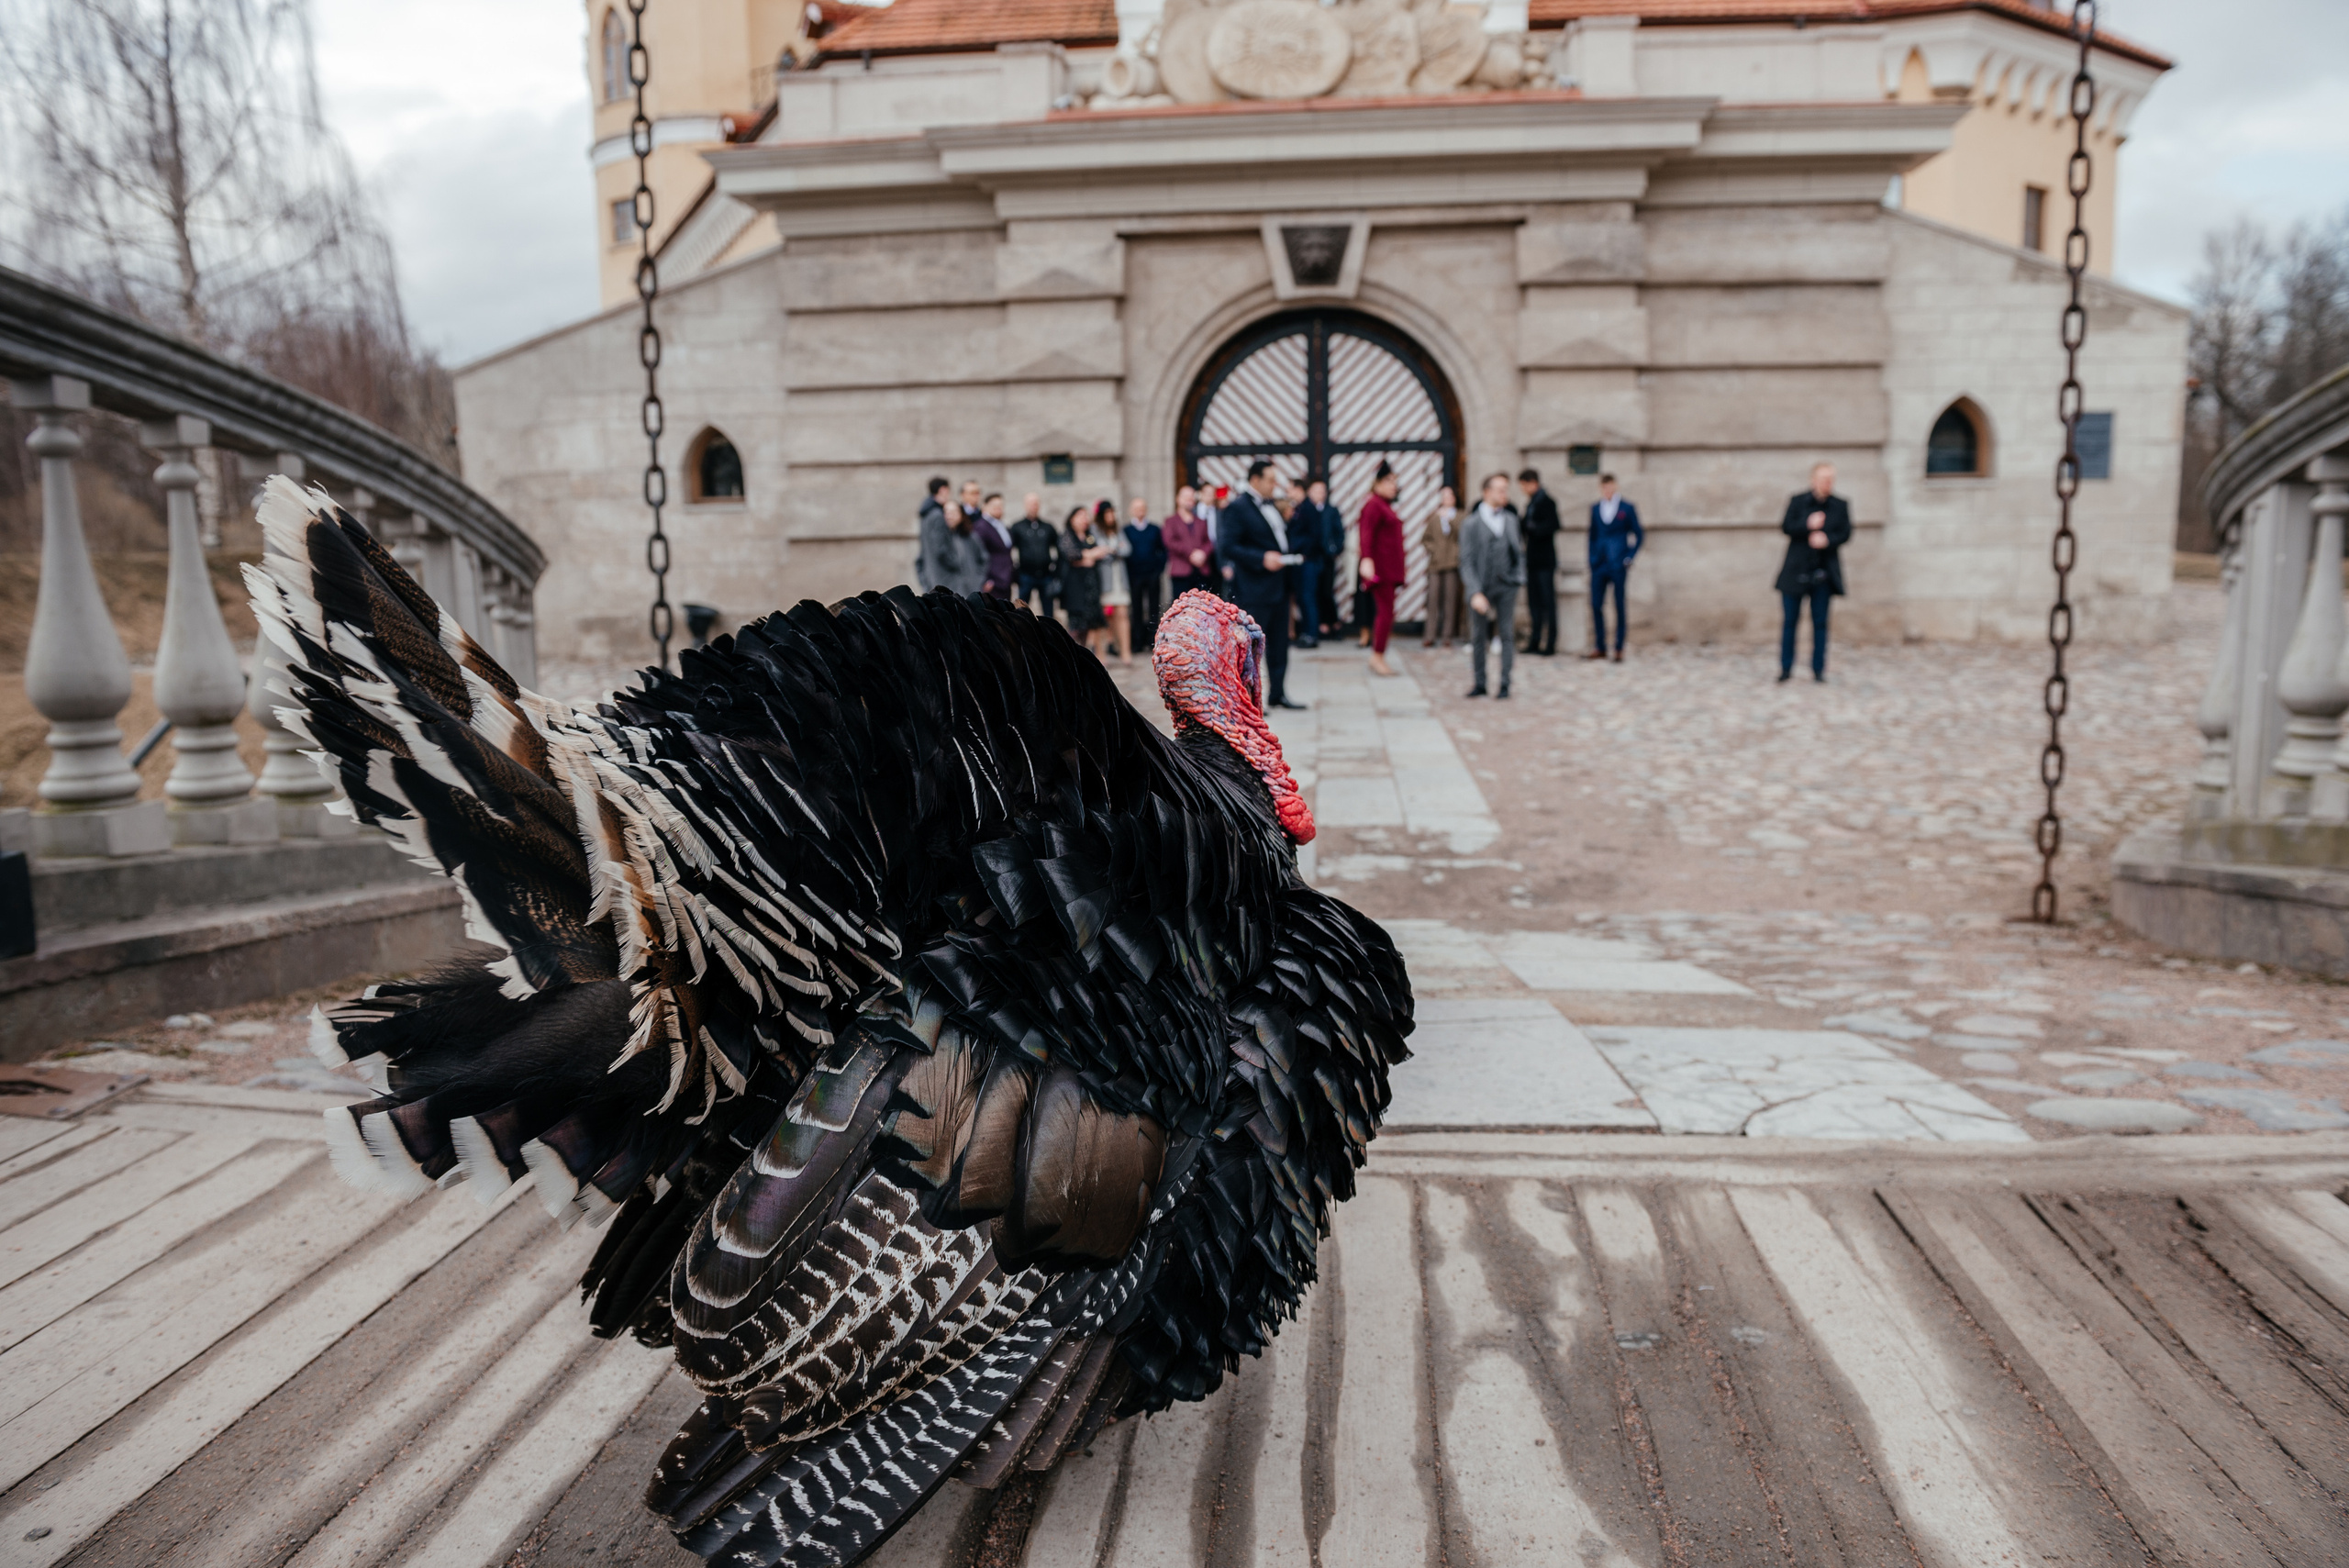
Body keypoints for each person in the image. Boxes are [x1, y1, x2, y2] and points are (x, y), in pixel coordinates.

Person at [1220, 459, 1307, 709]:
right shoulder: (1238, 508)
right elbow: (1229, 546)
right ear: (1255, 480)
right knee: (1252, 648)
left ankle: (1278, 693)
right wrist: (1261, 559)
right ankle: (1248, 701)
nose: (1275, 484)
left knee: (1280, 643)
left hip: (1279, 586)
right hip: (1254, 589)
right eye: (1270, 479)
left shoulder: (1272, 506)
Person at [1776, 462, 1852, 683]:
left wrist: (1827, 540)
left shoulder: (1840, 505)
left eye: (1830, 479)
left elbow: (1846, 533)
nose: (1827, 483)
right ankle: (1786, 668)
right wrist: (1807, 524)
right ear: (1813, 480)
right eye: (1823, 478)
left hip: (1823, 573)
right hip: (1796, 572)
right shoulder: (1798, 501)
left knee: (1820, 623)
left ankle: (1818, 670)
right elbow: (1786, 527)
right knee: (1790, 621)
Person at [1459, 472, 1524, 699]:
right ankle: (1480, 683)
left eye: (1506, 489)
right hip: (1481, 587)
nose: (1504, 494)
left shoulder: (1511, 520)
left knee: (1506, 634)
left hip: (1507, 585)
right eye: (1500, 489)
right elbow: (1466, 561)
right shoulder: (1471, 523)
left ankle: (1505, 684)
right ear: (1487, 492)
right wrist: (1474, 591)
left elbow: (1518, 553)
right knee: (1478, 636)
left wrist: (1518, 578)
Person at [1586, 473, 1644, 662]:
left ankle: (1619, 647)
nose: (1608, 490)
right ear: (1601, 488)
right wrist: (1591, 559)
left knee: (1619, 605)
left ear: (1615, 486)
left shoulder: (1627, 508)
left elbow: (1639, 534)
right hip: (1599, 564)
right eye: (1604, 487)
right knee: (1596, 605)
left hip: (1618, 563)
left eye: (1610, 486)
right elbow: (1592, 536)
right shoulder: (1595, 508)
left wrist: (1629, 557)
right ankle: (1600, 645)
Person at [1356, 462, 1407, 678]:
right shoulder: (1374, 505)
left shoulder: (1384, 504)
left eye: (1395, 481)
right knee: (1385, 613)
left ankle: (1379, 655)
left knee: (1387, 613)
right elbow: (1366, 533)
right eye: (1389, 481)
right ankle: (1377, 656)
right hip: (1381, 569)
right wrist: (1367, 559)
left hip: (1389, 567)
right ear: (1377, 483)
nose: (1393, 485)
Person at [1517, 468, 1561, 656]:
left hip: (1545, 561)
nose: (1523, 489)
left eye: (1524, 485)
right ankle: (1535, 640)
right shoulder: (1531, 503)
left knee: (1547, 603)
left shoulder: (1547, 502)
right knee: (1534, 603)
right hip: (1532, 561)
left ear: (1532, 483)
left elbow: (1554, 525)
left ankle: (1550, 643)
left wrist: (1533, 528)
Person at [917, 490, 986, 596]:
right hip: (945, 593)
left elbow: (984, 559)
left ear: (961, 514)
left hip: (968, 593)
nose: (949, 516)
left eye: (953, 512)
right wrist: (926, 584)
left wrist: (977, 580)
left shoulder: (970, 537)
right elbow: (921, 562)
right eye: (946, 512)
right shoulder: (937, 539)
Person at [1060, 503, 1108, 650]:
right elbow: (1071, 555)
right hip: (1074, 587)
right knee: (1076, 623)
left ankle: (1084, 653)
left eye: (1086, 516)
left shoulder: (1089, 536)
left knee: (1089, 623)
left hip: (1090, 586)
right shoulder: (1067, 535)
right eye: (1080, 516)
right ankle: (1069, 652)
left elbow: (1099, 554)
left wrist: (1086, 557)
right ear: (1072, 518)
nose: (1084, 519)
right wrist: (1088, 556)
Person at [1420, 484, 1463, 650]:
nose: (1446, 499)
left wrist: (1450, 521)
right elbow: (1426, 538)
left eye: (1449, 495)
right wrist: (1434, 550)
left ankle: (1447, 635)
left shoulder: (1459, 516)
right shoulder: (1434, 517)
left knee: (1450, 600)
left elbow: (1461, 535)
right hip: (1436, 564)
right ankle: (1430, 635)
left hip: (1452, 563)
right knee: (1433, 600)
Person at [1094, 499, 1135, 666]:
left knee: (1123, 614)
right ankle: (1101, 653)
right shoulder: (1095, 531)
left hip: (1120, 580)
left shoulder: (1117, 531)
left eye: (1112, 512)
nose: (1111, 516)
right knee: (1105, 617)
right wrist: (1114, 550)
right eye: (1107, 513)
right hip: (1106, 581)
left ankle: (1126, 652)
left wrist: (1113, 550)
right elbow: (1100, 550)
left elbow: (1127, 549)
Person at [1286, 478, 1325, 650]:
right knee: (1302, 598)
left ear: (1298, 489)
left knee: (1308, 598)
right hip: (1301, 561)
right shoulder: (1300, 508)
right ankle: (1306, 633)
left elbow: (1314, 536)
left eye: (1290, 489)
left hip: (1308, 561)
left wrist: (1298, 549)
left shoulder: (1309, 509)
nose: (1288, 493)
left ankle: (1312, 635)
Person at [1125, 495, 1168, 649]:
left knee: (1154, 608)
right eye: (1137, 508)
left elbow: (1162, 551)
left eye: (1142, 508)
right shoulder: (1127, 530)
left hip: (1152, 574)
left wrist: (1159, 570)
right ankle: (1137, 641)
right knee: (1136, 608)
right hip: (1134, 575)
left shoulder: (1154, 529)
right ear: (1131, 511)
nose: (1140, 511)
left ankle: (1153, 640)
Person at [1010, 492, 1061, 619]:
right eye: (1031, 504)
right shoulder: (1018, 527)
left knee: (1048, 611)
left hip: (1045, 575)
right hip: (1025, 575)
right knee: (1021, 610)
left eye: (1036, 504)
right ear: (1025, 505)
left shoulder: (1047, 527)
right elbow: (1008, 549)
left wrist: (1055, 569)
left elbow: (1059, 547)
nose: (1034, 506)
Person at [1163, 483, 1216, 604]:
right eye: (1186, 497)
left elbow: (1208, 542)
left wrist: (1203, 553)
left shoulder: (1201, 521)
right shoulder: (1171, 521)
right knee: (1181, 608)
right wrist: (1191, 554)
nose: (1190, 500)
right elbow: (1170, 541)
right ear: (1178, 499)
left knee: (1203, 607)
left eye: (1192, 497)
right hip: (1181, 571)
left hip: (1201, 571)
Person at [973, 492, 1015, 600]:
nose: (999, 509)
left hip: (1005, 580)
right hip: (992, 582)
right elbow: (977, 555)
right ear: (985, 507)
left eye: (1001, 506)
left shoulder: (1001, 525)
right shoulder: (981, 527)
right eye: (995, 506)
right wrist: (985, 580)